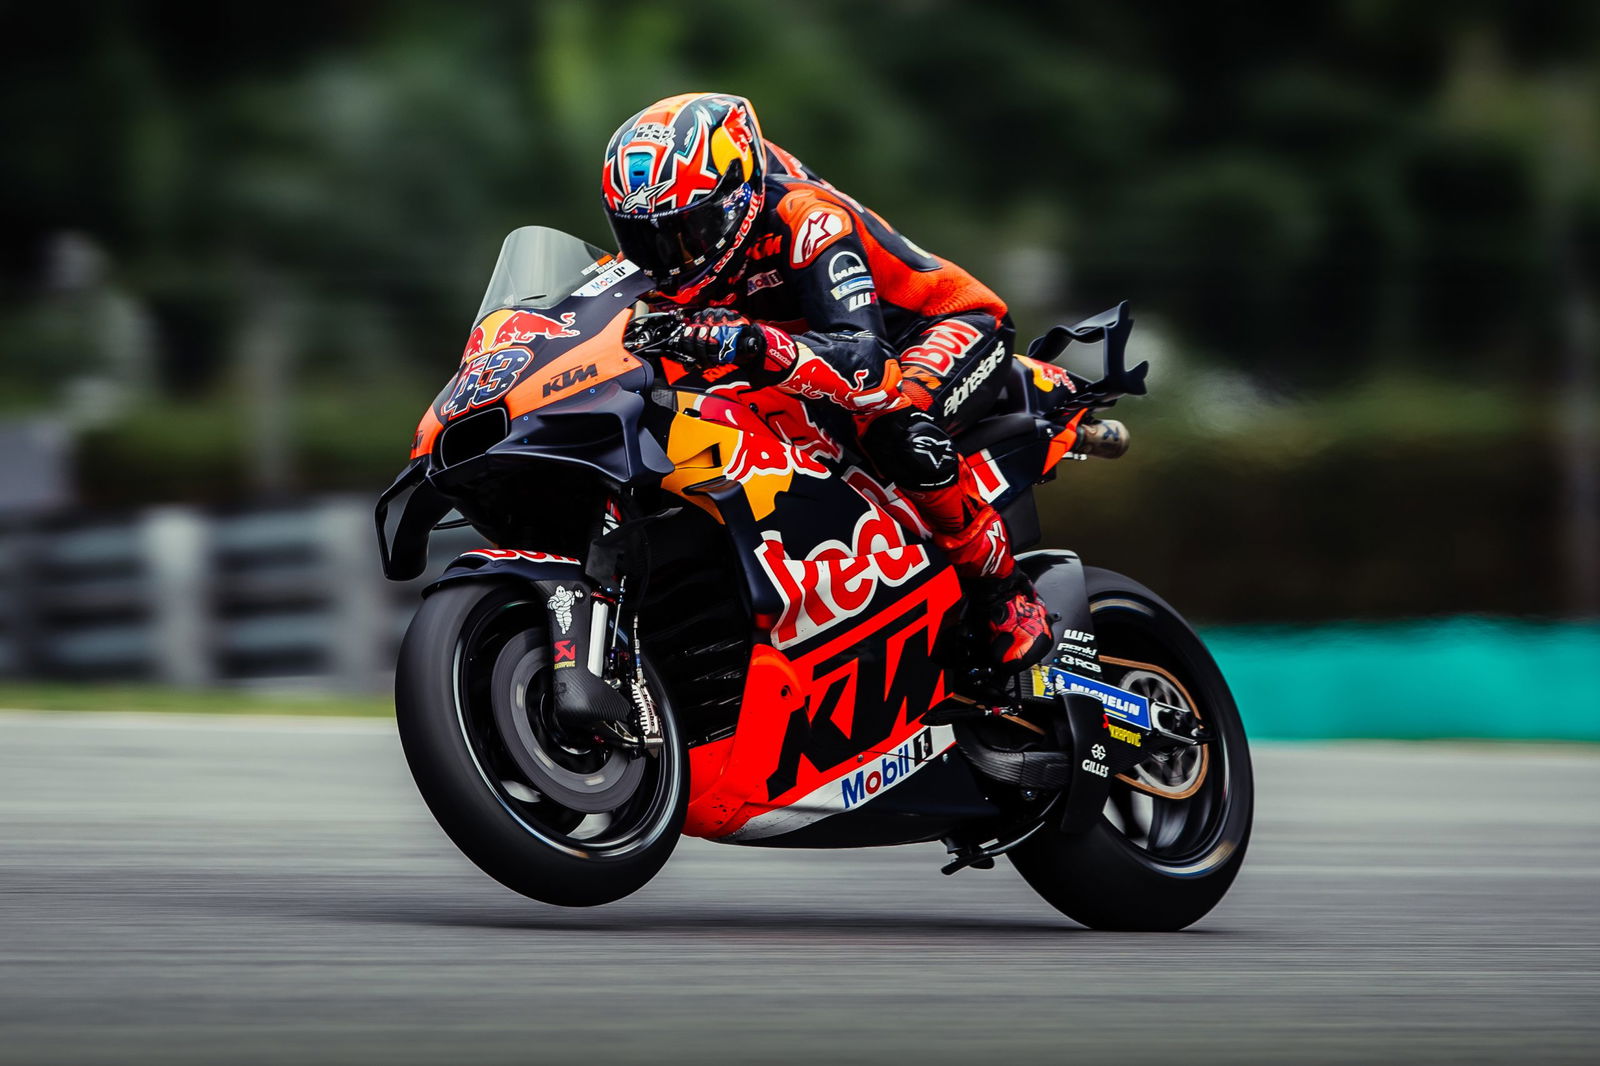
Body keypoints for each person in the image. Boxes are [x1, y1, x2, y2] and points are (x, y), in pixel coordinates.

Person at [601, 92, 1051, 672]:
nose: (671, 254)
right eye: (649, 237)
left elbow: (866, 363)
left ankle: (1005, 595)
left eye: (691, 229)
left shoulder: (808, 218)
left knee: (893, 427)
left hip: (937, 327)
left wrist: (752, 341)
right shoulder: (666, 259)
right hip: (819, 352)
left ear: (738, 194)